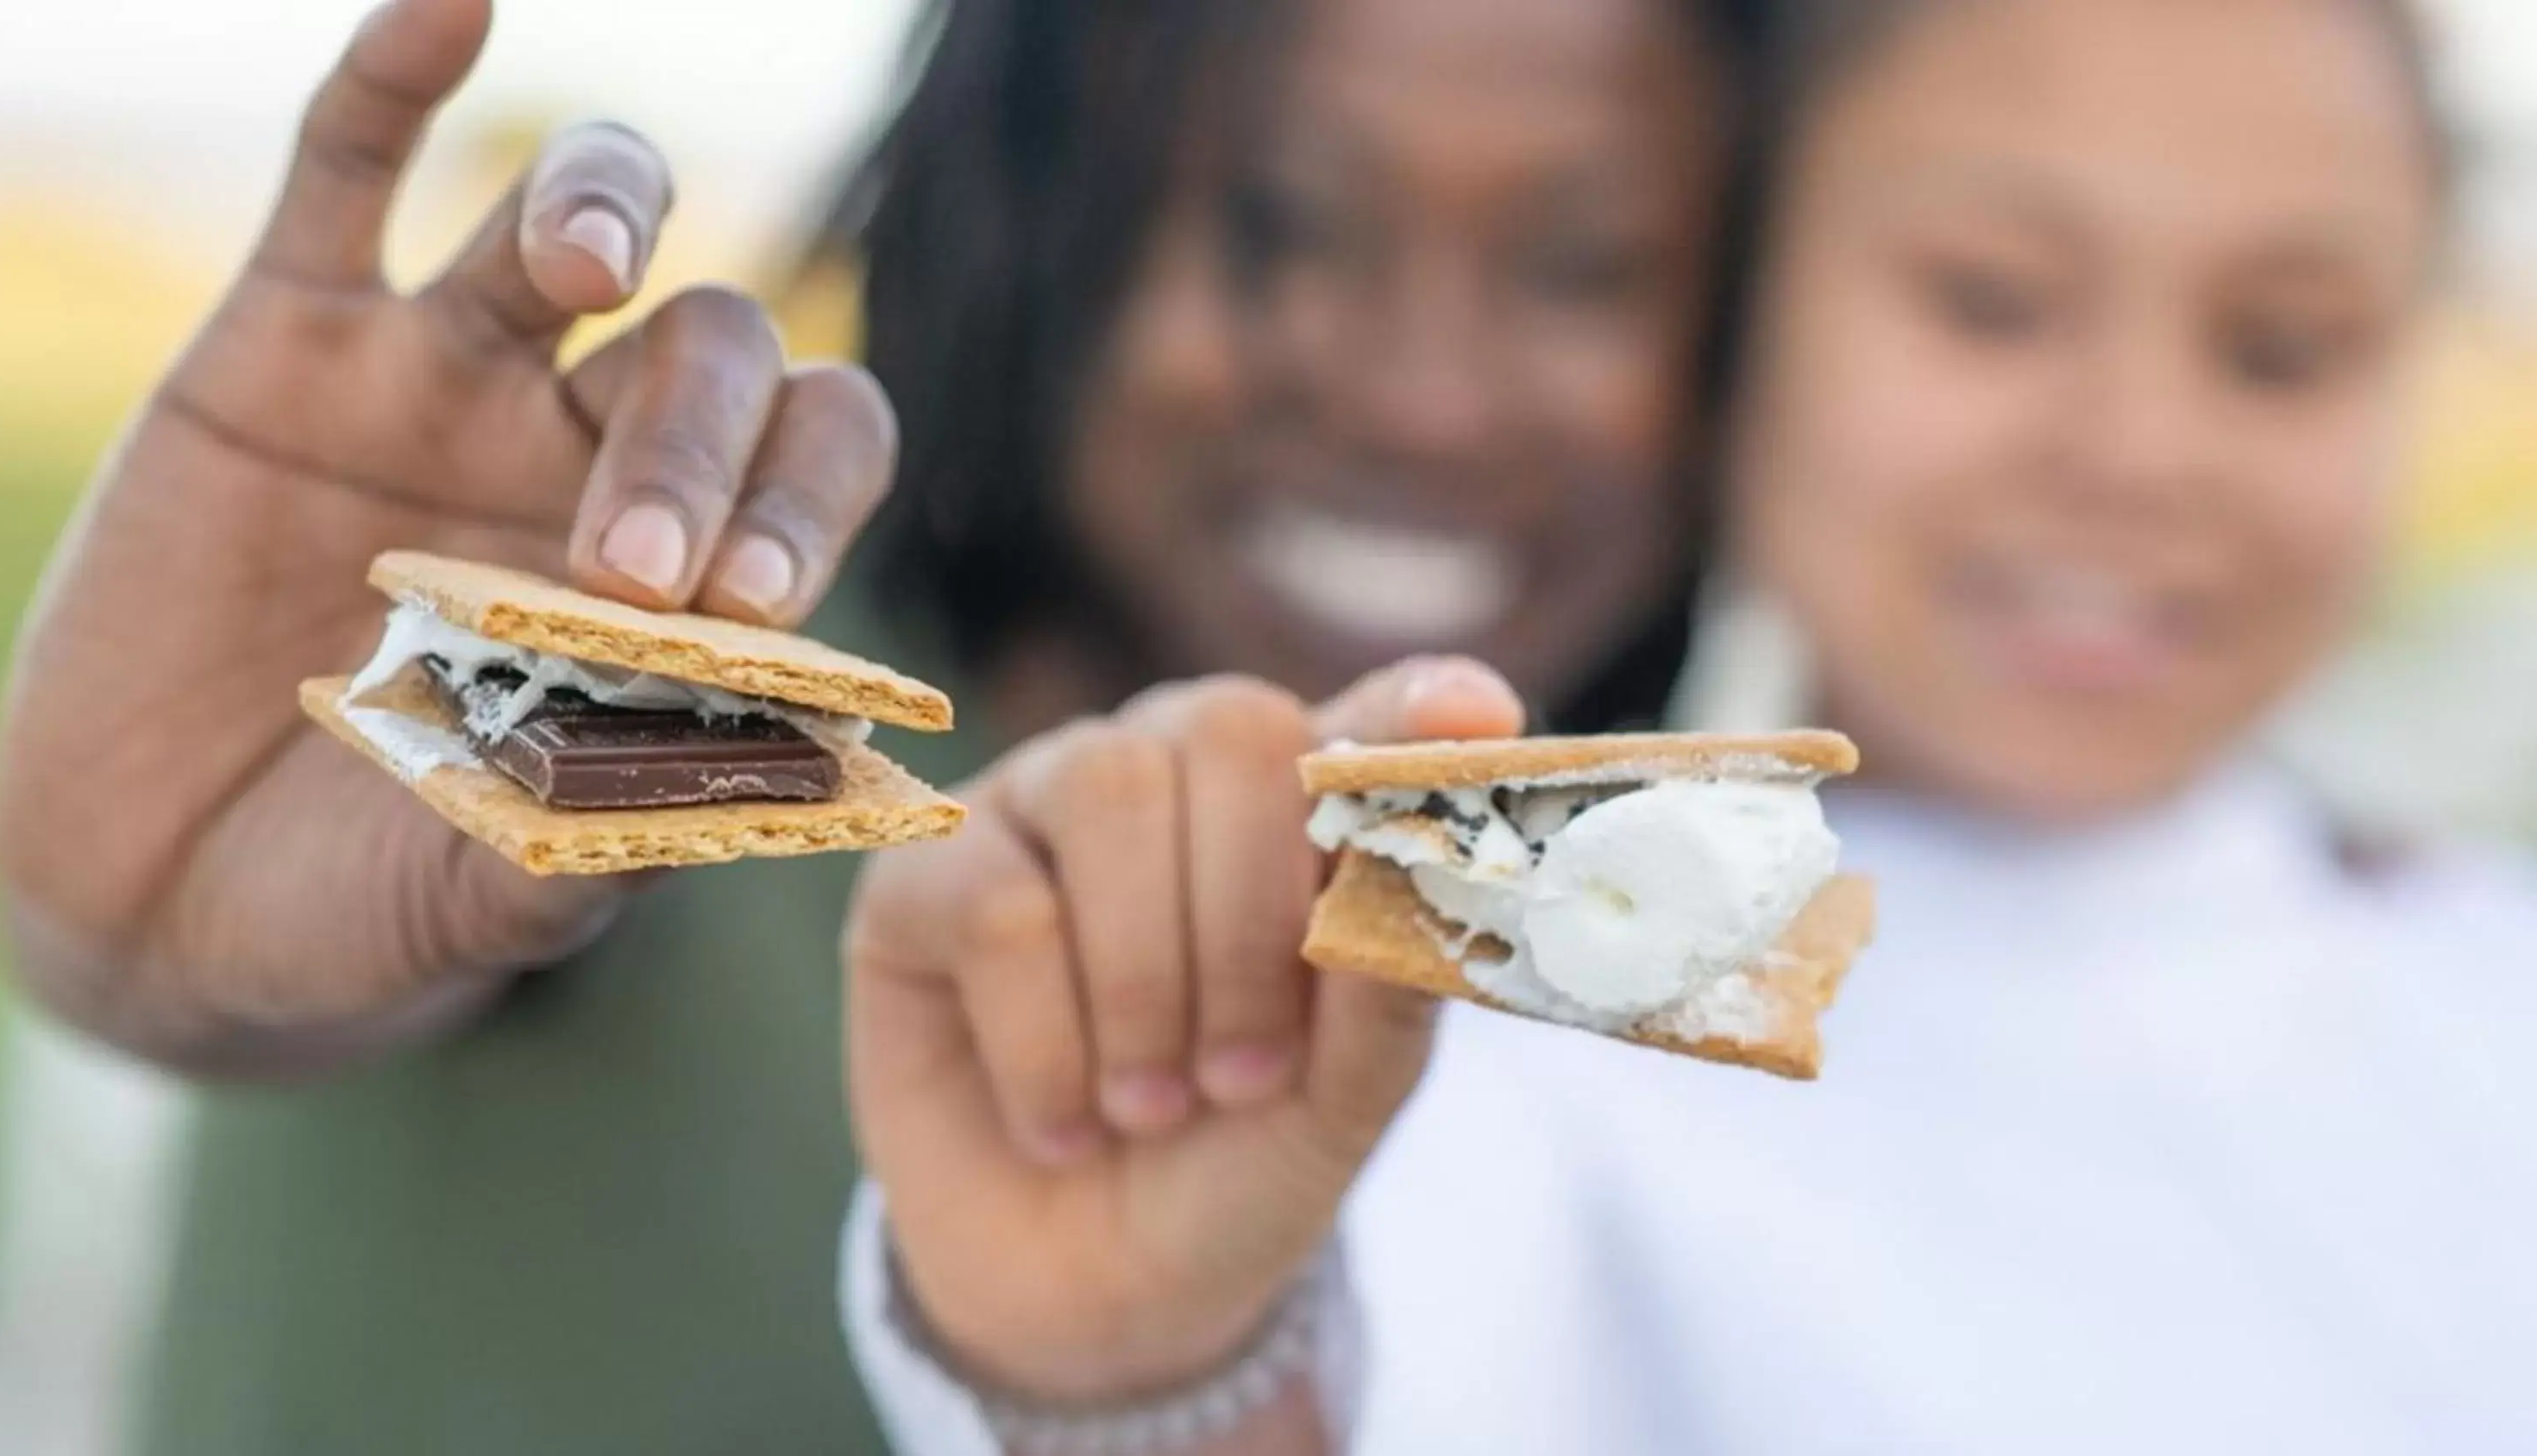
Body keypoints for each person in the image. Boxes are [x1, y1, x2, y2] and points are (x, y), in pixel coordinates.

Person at [0, 0, 1768, 1448]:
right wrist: (146, 938)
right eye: (1273, 226)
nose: (1428, 390)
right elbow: (261, 922)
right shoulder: (664, 704)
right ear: (1026, 200)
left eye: (1583, 267)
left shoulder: (1656, 922)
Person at [840, 0, 2537, 1451]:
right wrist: (1155, 1369)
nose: (2140, 447)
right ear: (1739, 314)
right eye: (1992, 300)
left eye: (2286, 350)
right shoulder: (1504, 998)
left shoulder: (2476, 963)